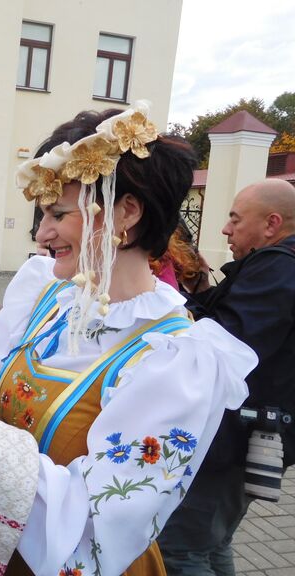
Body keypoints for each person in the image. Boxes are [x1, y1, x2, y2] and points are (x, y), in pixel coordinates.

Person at [0, 101, 256, 575]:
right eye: (43, 214)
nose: (43, 234)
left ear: (125, 212)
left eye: (58, 213)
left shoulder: (175, 358)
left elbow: (99, 517)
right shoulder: (44, 294)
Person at [158, 178, 295, 575]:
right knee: (211, 543)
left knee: (178, 549)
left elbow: (226, 343)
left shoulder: (278, 266)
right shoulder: (276, 265)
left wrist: (162, 300)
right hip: (252, 437)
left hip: (233, 439)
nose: (225, 229)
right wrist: (198, 288)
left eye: (235, 218)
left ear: (271, 224)